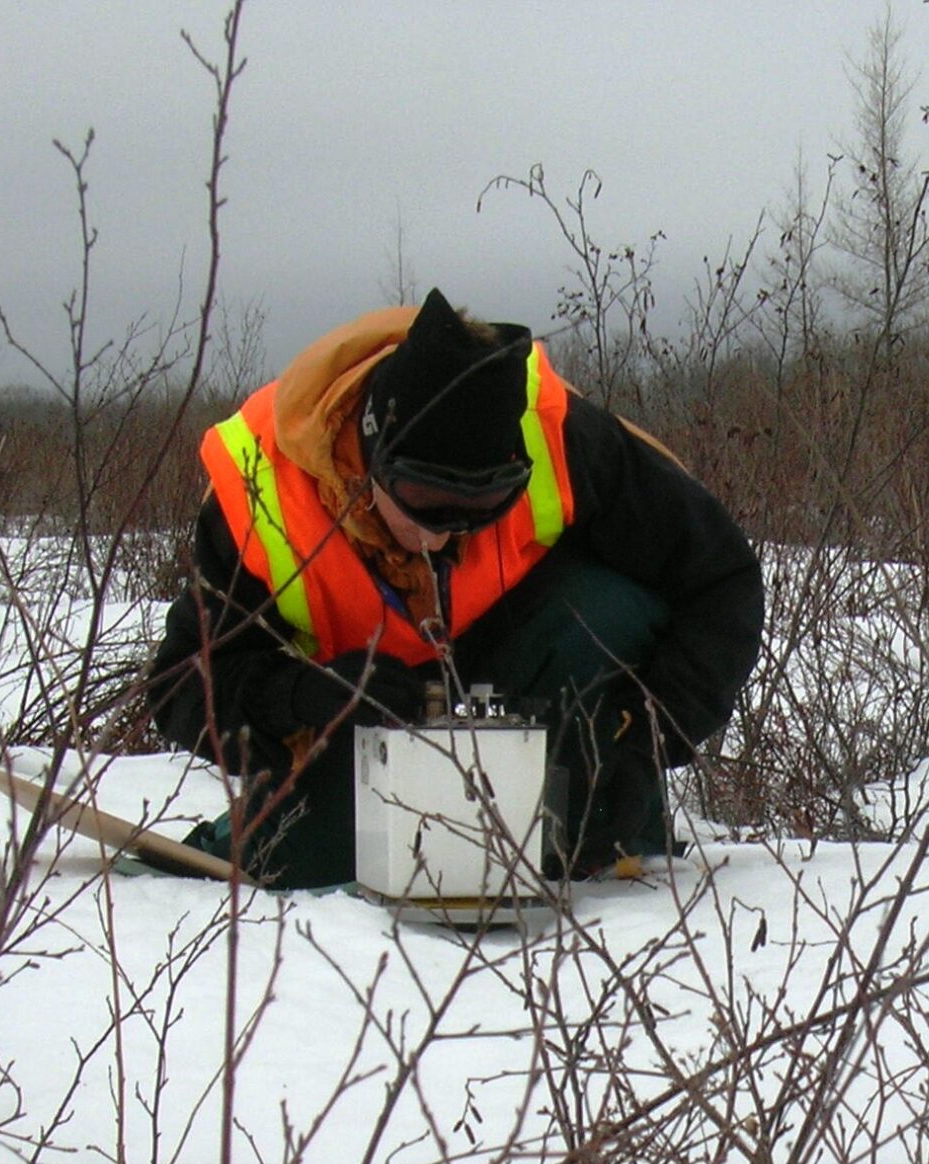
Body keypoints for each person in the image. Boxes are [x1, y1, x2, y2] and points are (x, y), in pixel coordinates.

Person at [146, 288, 765, 886]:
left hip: (526, 682)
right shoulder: (263, 490)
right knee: (293, 866)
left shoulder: (562, 434)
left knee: (606, 608)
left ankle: (605, 826)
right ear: (369, 458)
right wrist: (311, 695)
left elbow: (721, 581)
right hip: (368, 733)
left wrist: (645, 743)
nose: (445, 538)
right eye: (427, 503)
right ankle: (252, 836)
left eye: (487, 505)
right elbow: (182, 687)